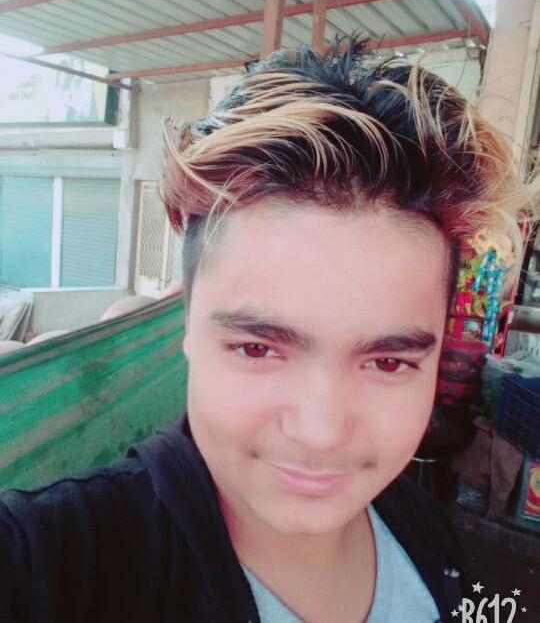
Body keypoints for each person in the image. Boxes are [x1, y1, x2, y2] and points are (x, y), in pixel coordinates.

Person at [0, 38, 536, 623]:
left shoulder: (424, 529)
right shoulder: (50, 562)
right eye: (257, 348)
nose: (321, 434)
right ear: (187, 323)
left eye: (388, 362)